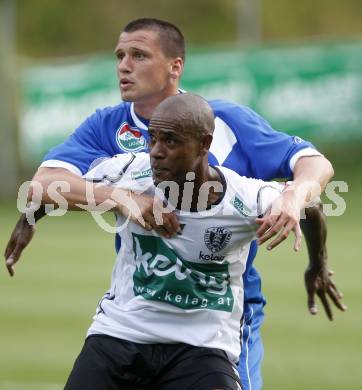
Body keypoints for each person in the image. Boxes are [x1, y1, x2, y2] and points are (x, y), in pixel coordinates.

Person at [4, 18, 346, 390]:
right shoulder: (109, 130)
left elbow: (314, 166)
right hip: (139, 311)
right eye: (120, 55)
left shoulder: (222, 122)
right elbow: (46, 184)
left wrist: (294, 197)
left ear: (175, 66)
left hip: (218, 317)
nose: (124, 65)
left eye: (138, 55)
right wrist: (120, 198)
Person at [66, 92, 293, 389]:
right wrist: (29, 219)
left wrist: (317, 263)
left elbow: (311, 210)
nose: (156, 152)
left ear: (204, 145)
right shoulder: (132, 173)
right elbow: (56, 187)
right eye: (153, 139)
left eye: (170, 141)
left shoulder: (246, 199)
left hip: (201, 346)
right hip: (121, 333)